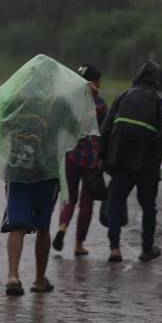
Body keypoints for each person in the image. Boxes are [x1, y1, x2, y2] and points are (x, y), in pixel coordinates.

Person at [0, 55, 98, 296]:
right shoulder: (59, 104)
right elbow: (78, 130)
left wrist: (13, 147)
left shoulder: (16, 100)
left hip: (17, 168)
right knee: (43, 226)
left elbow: (0, 126)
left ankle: (13, 276)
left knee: (17, 224)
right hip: (47, 170)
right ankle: (39, 278)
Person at [100, 60, 162, 263]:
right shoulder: (161, 99)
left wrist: (103, 157)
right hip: (148, 162)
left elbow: (105, 128)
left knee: (115, 201)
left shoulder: (123, 96)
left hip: (121, 160)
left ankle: (114, 249)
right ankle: (146, 249)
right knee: (148, 206)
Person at [52, 64, 108, 256]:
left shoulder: (70, 102)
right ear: (94, 82)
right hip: (91, 160)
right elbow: (104, 132)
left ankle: (62, 227)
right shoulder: (99, 104)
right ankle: (78, 244)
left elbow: (61, 127)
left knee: (69, 199)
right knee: (86, 202)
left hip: (71, 156)